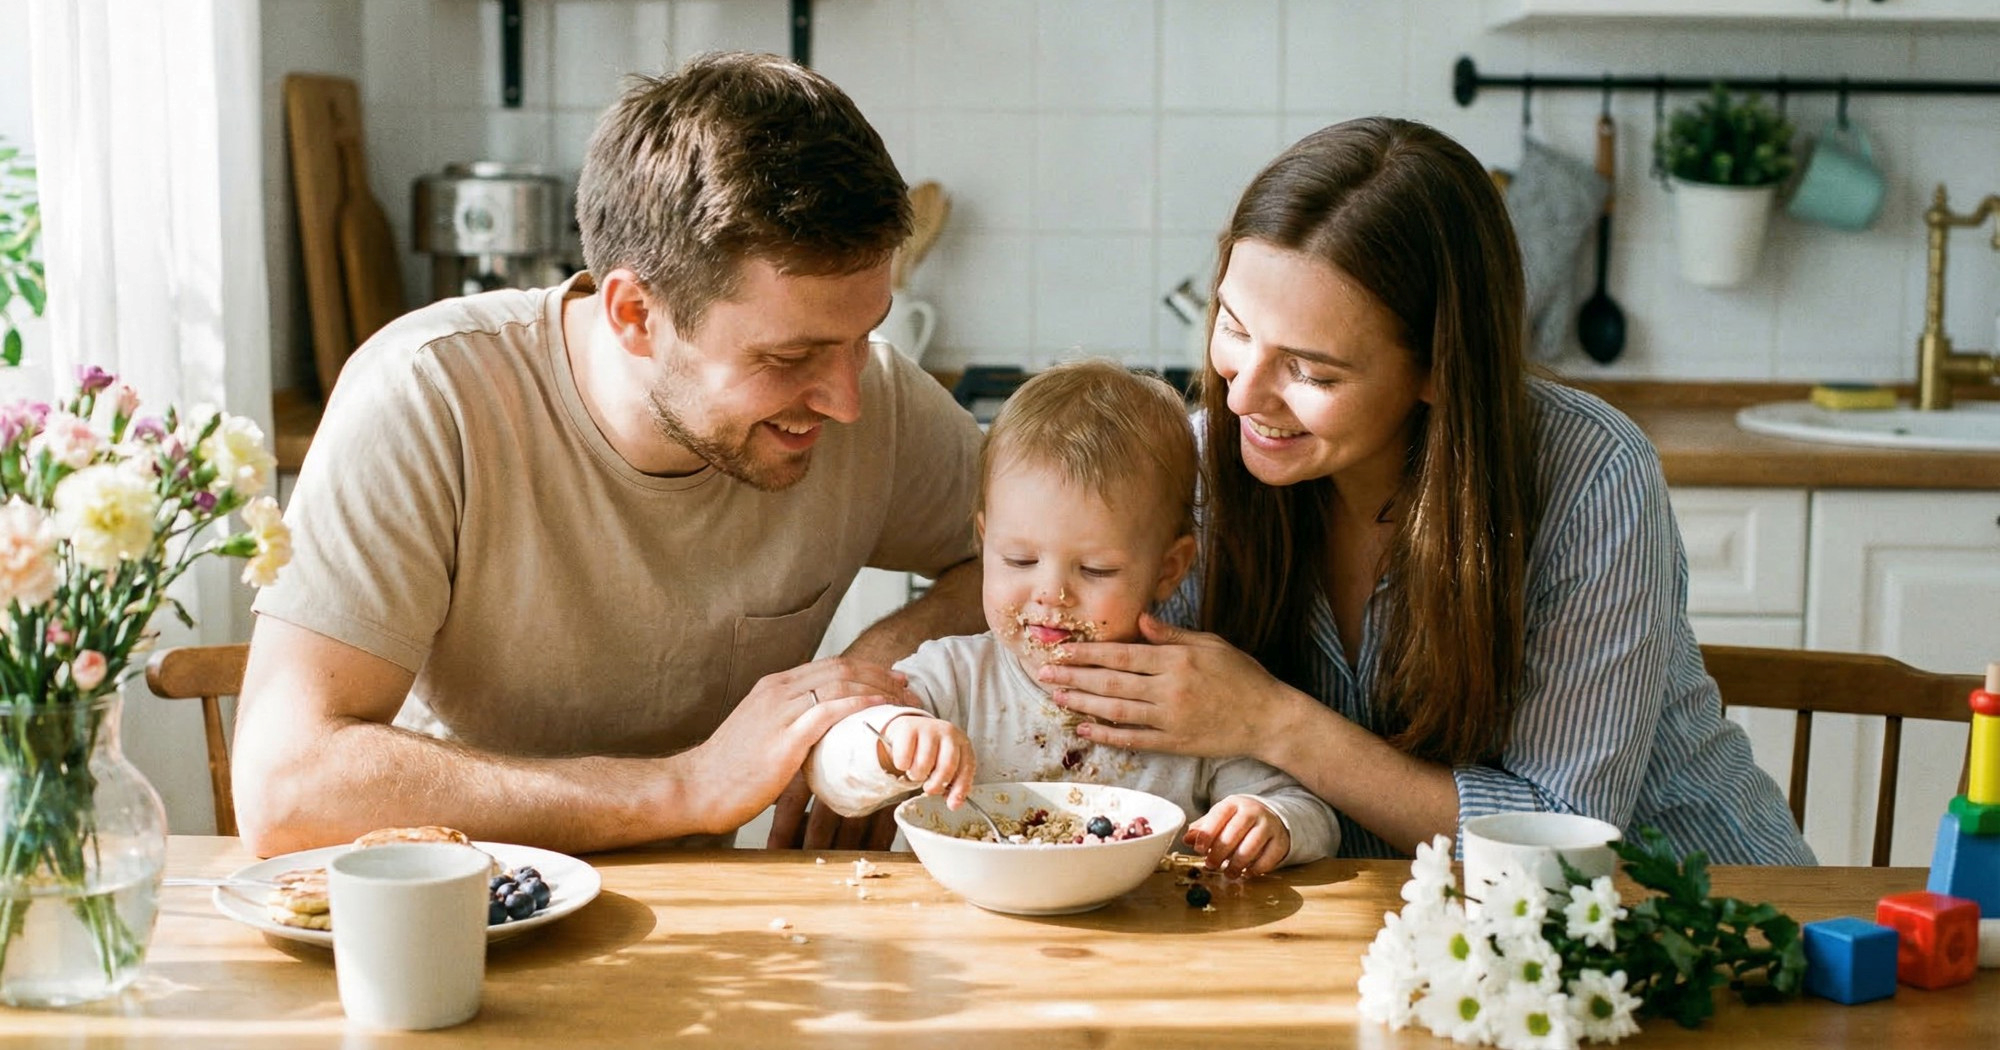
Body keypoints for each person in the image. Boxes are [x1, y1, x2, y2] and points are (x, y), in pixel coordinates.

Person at [232, 52, 988, 858]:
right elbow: (286, 786)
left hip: (727, 923)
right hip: (466, 910)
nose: (846, 399)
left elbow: (1041, 559)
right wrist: (687, 787)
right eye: (787, 357)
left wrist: (876, 673)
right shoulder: (428, 396)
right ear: (634, 313)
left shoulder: (874, 399)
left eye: (864, 337)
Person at [1035, 119, 1814, 865]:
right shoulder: (1194, 465)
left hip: (1691, 910)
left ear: (1440, 368)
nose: (1243, 400)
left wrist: (1271, 721)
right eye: (1235, 328)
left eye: (1311, 371)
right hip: (1387, 933)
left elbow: (1561, 834)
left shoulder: (1592, 474)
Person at [806, 360, 1338, 874]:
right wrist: (891, 738)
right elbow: (830, 774)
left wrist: (1271, 820)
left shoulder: (1184, 699)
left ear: (1167, 570)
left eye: (1096, 569)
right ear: (985, 541)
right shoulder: (955, 676)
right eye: (1019, 560)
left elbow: (1313, 814)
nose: (1051, 593)